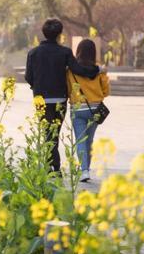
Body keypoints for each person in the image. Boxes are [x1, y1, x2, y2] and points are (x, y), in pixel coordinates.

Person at [25, 19, 99, 174]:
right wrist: (94, 71)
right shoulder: (64, 52)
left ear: (44, 33)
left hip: (41, 99)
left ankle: (51, 165)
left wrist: (36, 87)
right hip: (59, 99)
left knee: (46, 132)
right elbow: (77, 69)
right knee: (55, 132)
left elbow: (28, 76)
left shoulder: (33, 53)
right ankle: (54, 166)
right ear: (59, 34)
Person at [67, 39, 110, 182]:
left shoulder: (70, 72)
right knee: (89, 140)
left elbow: (67, 90)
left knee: (80, 140)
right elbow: (106, 92)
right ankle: (87, 169)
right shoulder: (99, 71)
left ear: (77, 51)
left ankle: (84, 170)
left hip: (78, 108)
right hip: (95, 108)